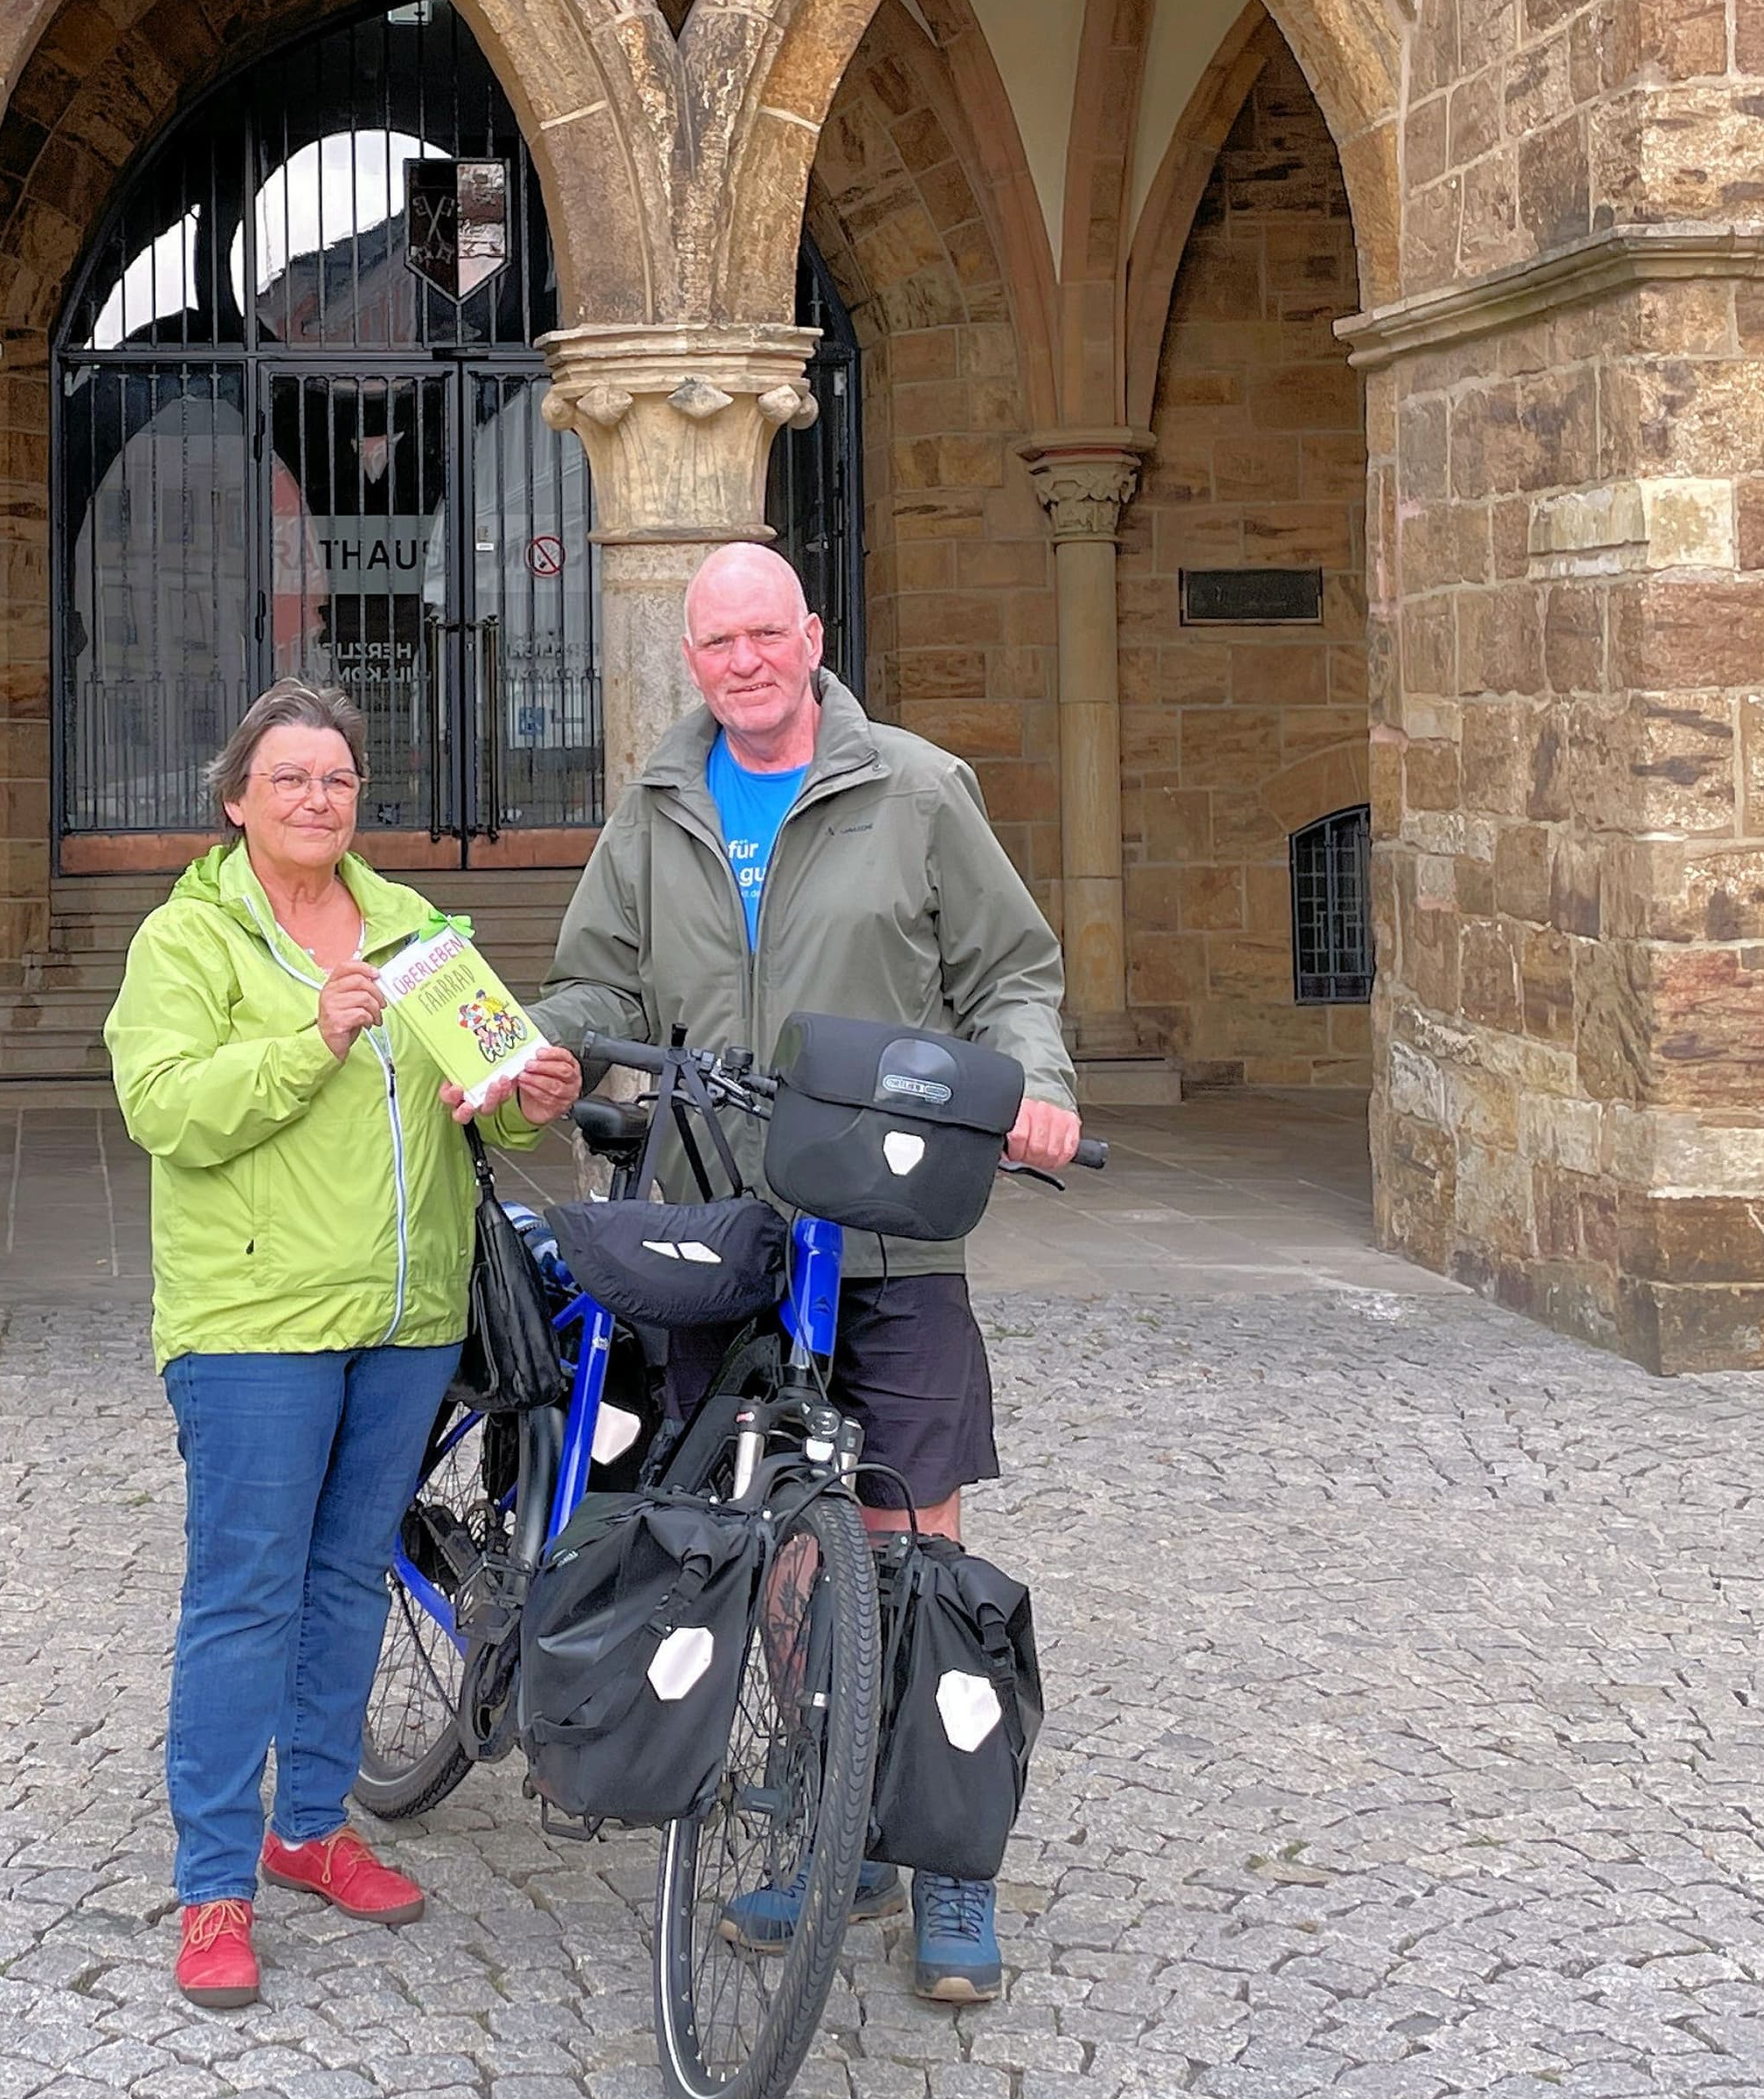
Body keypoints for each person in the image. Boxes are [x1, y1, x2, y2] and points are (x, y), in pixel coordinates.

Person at [533, 544, 1079, 2002]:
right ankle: (850, 1825)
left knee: (918, 1539)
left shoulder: (913, 786)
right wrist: (554, 1044)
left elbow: (1012, 969)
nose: (744, 660)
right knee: (775, 1539)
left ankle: (952, 1861)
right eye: (718, 641)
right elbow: (599, 980)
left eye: (767, 633)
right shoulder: (655, 809)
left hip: (892, 1227)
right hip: (735, 1227)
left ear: (813, 635)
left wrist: (1032, 1079)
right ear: (695, 657)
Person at [106, 679, 585, 2011]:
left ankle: (310, 1825)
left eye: (338, 779)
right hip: (253, 1321)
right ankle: (213, 1886)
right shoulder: (187, 940)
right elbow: (164, 1107)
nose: (319, 799)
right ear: (236, 798)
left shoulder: (418, 930)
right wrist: (306, 1039)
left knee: (345, 1582)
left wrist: (531, 1095)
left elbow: (481, 1111)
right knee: (245, 1592)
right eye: (291, 779)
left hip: (407, 1314)